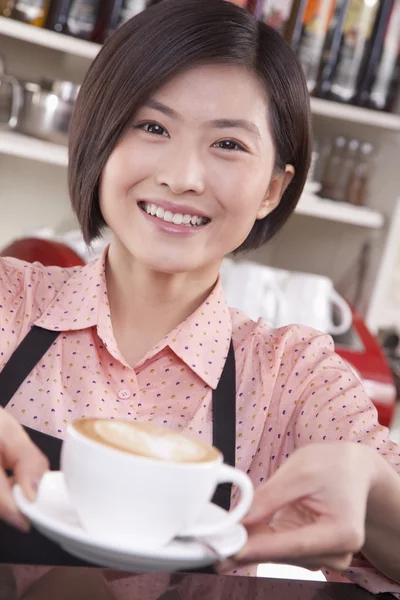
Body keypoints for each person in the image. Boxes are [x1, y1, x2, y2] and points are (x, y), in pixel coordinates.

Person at [0, 1, 400, 599]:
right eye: (153, 127)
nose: (184, 176)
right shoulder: (9, 301)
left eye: (229, 145)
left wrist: (371, 485)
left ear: (272, 188)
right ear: (100, 137)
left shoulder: (293, 377)